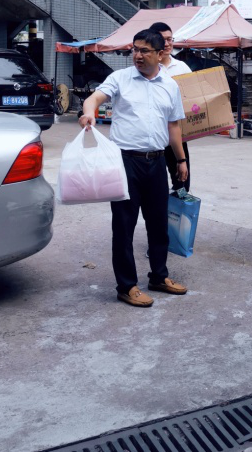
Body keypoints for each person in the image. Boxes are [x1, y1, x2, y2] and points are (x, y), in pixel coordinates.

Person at [79, 29, 189, 307]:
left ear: (160, 53)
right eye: (135, 49)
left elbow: (174, 126)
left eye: (144, 51)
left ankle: (159, 276)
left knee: (159, 225)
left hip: (157, 162)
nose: (137, 55)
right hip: (125, 162)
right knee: (124, 226)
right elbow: (94, 99)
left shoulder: (170, 85)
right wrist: (89, 113)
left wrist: (180, 160)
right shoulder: (120, 78)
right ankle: (126, 286)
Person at [149, 21, 193, 192]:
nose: (167, 44)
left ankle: (178, 206)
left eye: (170, 39)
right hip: (153, 135)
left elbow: (193, 99)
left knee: (182, 181)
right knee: (154, 184)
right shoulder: (146, 68)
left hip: (177, 134)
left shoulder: (182, 67)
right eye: (162, 40)